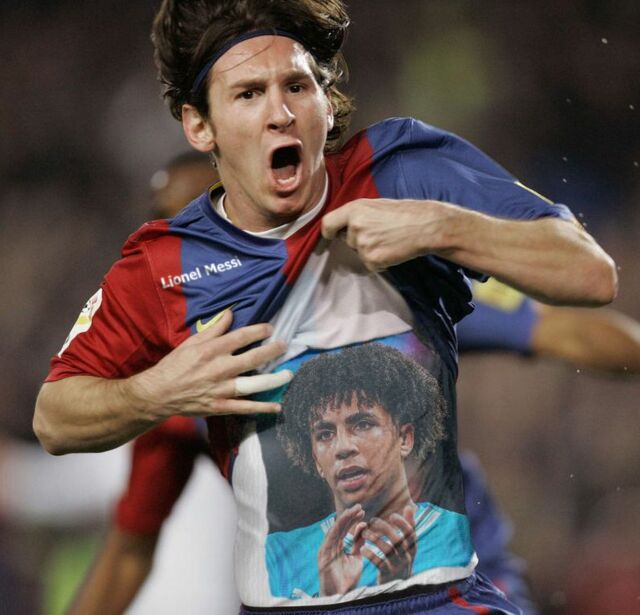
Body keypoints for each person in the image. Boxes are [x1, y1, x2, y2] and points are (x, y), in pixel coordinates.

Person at [34, 1, 618, 613]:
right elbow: (55, 418)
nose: (280, 113)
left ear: (326, 101)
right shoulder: (164, 263)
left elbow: (589, 273)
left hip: (439, 600)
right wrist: (157, 391)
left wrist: (440, 225)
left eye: (297, 86)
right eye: (249, 94)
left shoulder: (398, 174)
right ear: (200, 126)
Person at [268, 343, 461, 599]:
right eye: (325, 434)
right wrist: (330, 601)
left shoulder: (456, 536)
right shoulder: (277, 555)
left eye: (362, 424)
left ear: (404, 438)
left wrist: (398, 596)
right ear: (315, 459)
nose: (342, 448)